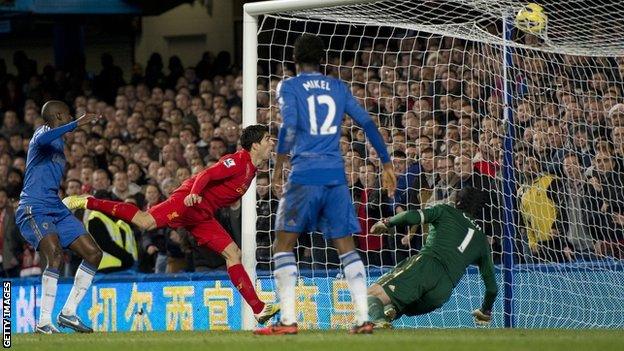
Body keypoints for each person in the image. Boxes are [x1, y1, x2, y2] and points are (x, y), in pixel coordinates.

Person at [64, 124, 280, 324]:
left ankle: (259, 309)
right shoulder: (238, 161)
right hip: (188, 201)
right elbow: (206, 174)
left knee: (234, 254)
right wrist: (193, 194)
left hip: (203, 215)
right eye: (268, 139)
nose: (272, 142)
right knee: (145, 221)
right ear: (255, 145)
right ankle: (87, 201)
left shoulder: (252, 169)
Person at [254, 34, 396, 336]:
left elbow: (290, 126)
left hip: (305, 173)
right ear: (323, 60)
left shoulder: (289, 86)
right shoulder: (338, 87)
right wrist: (385, 163)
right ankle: (362, 318)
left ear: (295, 60)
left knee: (283, 243)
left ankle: (289, 321)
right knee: (345, 245)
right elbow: (368, 123)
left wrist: (279, 165)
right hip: (335, 175)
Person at [15, 100, 102, 334]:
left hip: (55, 206)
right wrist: (76, 123)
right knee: (54, 253)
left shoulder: (59, 141)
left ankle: (69, 313)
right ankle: (44, 322)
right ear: (59, 116)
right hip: (33, 206)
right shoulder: (41, 134)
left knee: (93, 253)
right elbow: (42, 140)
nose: (71, 116)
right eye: (68, 114)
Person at [365, 187, 498, 328]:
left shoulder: (446, 210)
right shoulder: (482, 241)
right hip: (442, 291)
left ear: (458, 202)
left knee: (368, 295)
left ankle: (380, 321)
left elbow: (413, 215)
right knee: (394, 307)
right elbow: (492, 289)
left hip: (426, 266)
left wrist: (387, 222)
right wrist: (485, 310)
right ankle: (388, 313)